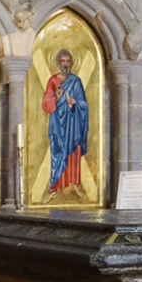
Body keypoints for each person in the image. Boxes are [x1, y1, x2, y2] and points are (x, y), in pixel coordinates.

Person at [41, 48, 89, 199]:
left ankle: (74, 184)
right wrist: (57, 97)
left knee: (73, 152)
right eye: (63, 61)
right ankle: (55, 186)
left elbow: (84, 104)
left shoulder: (76, 81)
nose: (65, 64)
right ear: (58, 63)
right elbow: (46, 104)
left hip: (73, 123)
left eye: (68, 61)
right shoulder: (53, 81)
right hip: (57, 123)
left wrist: (74, 102)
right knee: (58, 151)